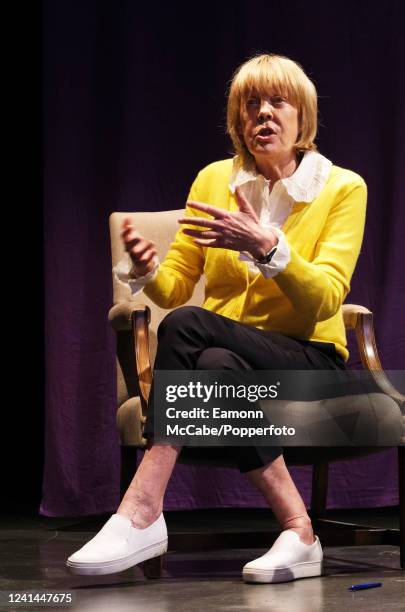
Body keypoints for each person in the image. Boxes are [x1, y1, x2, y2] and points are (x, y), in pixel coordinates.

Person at [66, 54, 367, 583]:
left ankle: (141, 509)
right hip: (231, 360)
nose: (264, 114)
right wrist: (148, 268)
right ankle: (299, 530)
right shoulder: (213, 181)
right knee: (214, 361)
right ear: (237, 120)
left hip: (311, 362)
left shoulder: (343, 188)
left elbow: (325, 300)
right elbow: (176, 284)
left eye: (278, 102)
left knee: (186, 326)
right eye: (250, 104)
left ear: (303, 118)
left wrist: (271, 248)